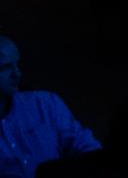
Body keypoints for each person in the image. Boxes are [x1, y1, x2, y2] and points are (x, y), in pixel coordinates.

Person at [0, 35, 100, 178]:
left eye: (17, 64)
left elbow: (87, 148)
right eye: (5, 67)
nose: (17, 74)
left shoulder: (45, 104)